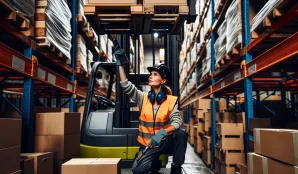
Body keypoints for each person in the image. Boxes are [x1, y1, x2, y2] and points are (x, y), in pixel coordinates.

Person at [113, 40, 188, 174]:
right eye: (150, 74)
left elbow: (177, 122)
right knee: (137, 171)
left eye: (155, 74)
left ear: (163, 81)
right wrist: (119, 64)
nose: (150, 76)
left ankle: (176, 167)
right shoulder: (143, 98)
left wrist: (162, 132)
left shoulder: (170, 101)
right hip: (148, 144)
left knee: (181, 133)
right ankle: (153, 163)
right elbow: (126, 85)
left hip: (164, 141)